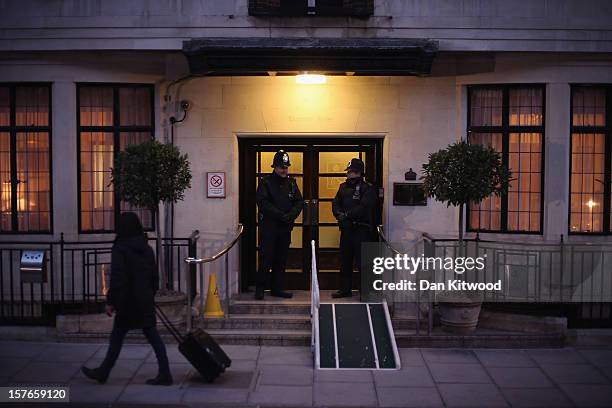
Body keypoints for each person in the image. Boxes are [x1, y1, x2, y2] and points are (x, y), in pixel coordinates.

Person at [81, 212, 172, 386]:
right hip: (144, 299)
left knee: (117, 337)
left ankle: (103, 372)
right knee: (152, 335)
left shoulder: (121, 248)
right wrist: (149, 294)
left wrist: (111, 301)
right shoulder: (147, 248)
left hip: (128, 301)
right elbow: (154, 277)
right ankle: (164, 371)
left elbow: (118, 278)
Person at [255, 150, 304, 300]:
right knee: (266, 259)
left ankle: (277, 288)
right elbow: (263, 203)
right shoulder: (266, 183)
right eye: (282, 167)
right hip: (269, 228)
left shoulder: (291, 183)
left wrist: (290, 216)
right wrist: (281, 215)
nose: (284, 170)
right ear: (275, 167)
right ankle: (260, 289)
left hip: (284, 228)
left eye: (286, 167)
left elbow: (299, 202)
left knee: (281, 260)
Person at [332, 158, 376, 298]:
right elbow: (335, 203)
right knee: (345, 260)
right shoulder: (343, 187)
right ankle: (345, 289)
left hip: (361, 230)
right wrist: (339, 215)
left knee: (363, 262)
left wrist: (347, 215)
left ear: (357, 172)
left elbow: (364, 207)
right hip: (346, 230)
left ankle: (366, 292)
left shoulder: (367, 188)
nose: (347, 174)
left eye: (349, 172)